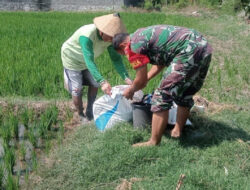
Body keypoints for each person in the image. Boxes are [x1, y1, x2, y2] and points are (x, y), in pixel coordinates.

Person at [112, 25, 212, 146]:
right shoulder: (141, 35)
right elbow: (160, 63)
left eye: (123, 54)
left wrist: (131, 90)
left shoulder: (132, 47)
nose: (126, 55)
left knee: (161, 96)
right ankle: (177, 131)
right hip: (203, 46)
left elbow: (141, 80)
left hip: (187, 51)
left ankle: (153, 141)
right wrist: (146, 78)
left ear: (123, 46)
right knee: (185, 92)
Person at [61, 13, 132, 123]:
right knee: (77, 89)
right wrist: (103, 81)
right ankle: (80, 114)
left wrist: (126, 78)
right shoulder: (87, 35)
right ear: (101, 31)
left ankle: (90, 110)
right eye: (110, 37)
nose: (112, 40)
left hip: (86, 61)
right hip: (72, 59)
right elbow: (89, 60)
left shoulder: (111, 38)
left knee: (95, 84)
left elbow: (116, 59)